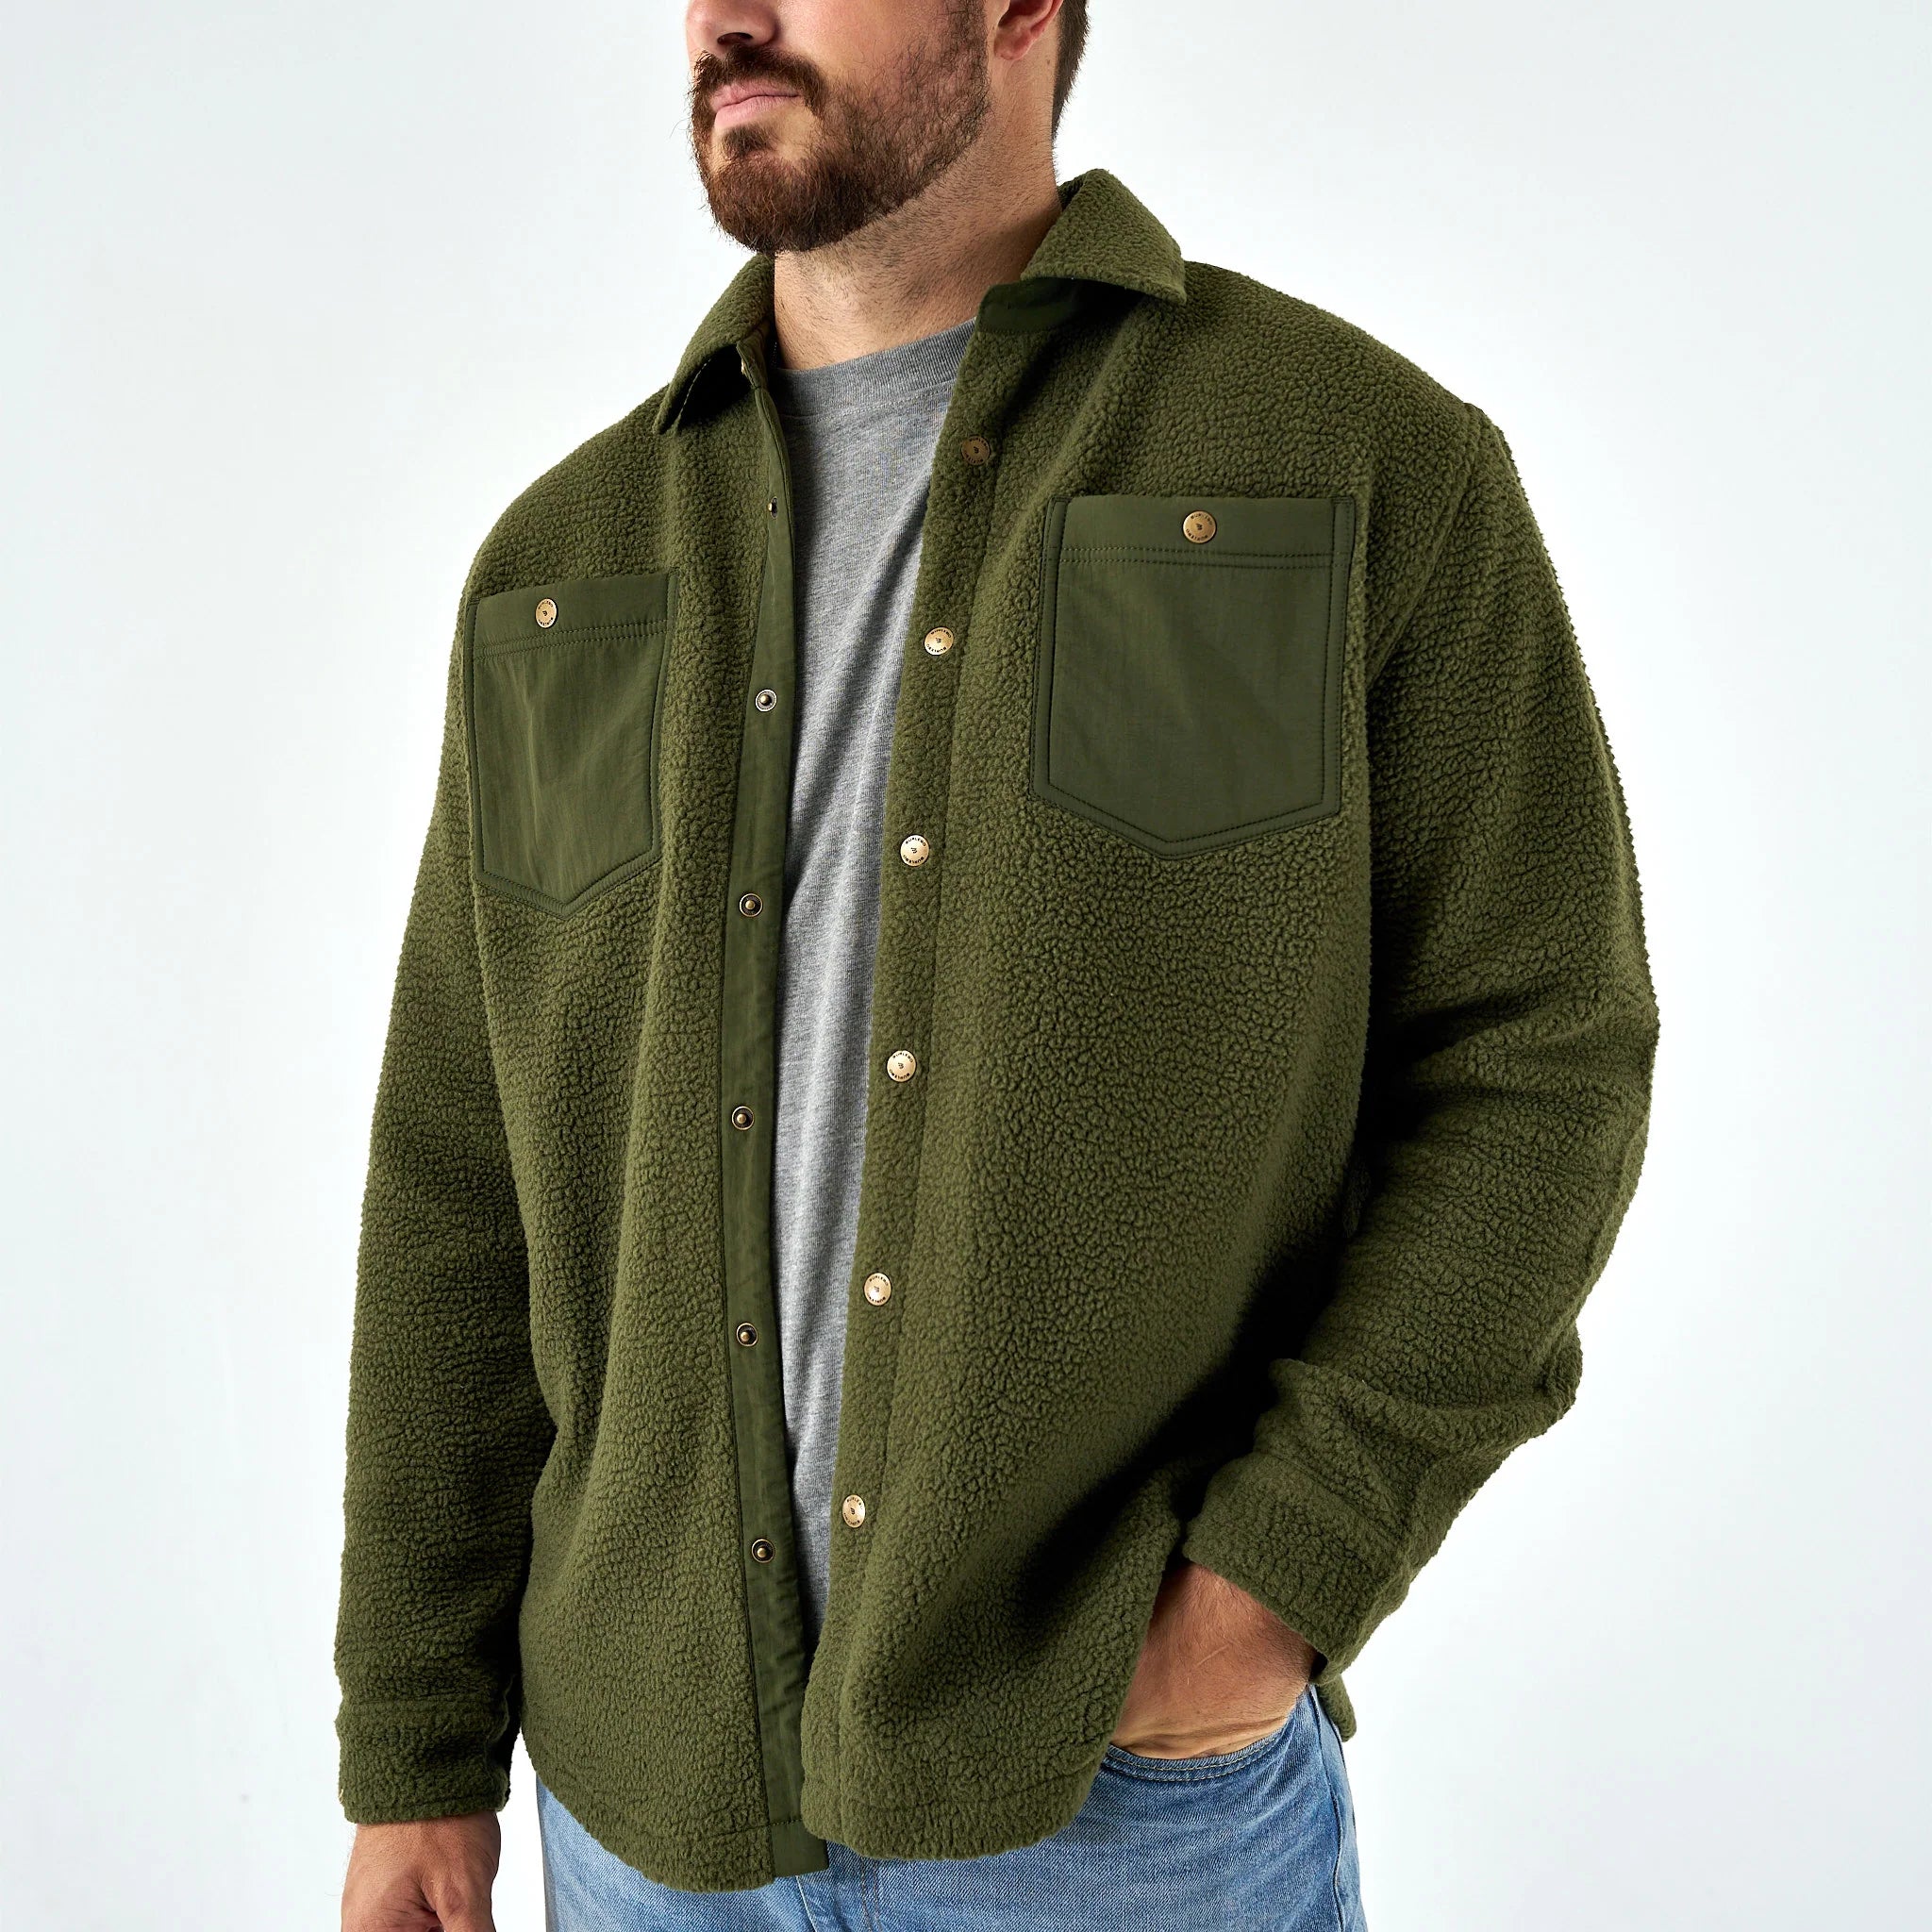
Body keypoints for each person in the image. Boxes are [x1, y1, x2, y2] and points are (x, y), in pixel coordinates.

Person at [334, 1, 1660, 1925]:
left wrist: (1271, 1579)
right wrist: (417, 1752)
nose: (725, 17)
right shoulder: (563, 564)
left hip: (1120, 1808)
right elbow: (461, 1183)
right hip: (640, 1822)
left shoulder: (1353, 461)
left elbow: (1542, 1054)